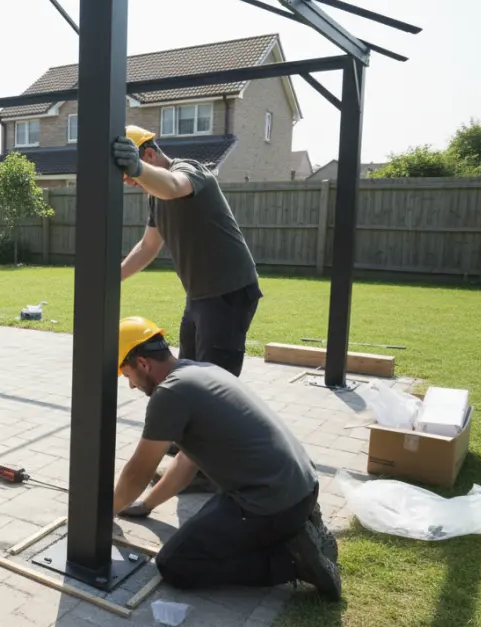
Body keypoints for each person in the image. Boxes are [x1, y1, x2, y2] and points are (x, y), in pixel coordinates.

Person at [111, 316, 341, 601]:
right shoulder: (197, 371)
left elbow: (139, 472)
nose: (131, 385)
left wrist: (105, 512)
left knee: (176, 564)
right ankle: (300, 526)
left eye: (126, 374)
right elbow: (186, 461)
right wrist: (146, 504)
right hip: (300, 486)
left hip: (270, 501)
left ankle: (293, 562)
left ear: (143, 364)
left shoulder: (169, 393)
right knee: (208, 532)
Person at [112, 126, 262, 379]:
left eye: (129, 176)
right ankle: (194, 417)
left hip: (229, 292)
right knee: (188, 372)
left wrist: (137, 169)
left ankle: (217, 419)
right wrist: (113, 278)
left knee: (215, 380)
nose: (130, 182)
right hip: (199, 295)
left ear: (148, 155)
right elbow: (148, 246)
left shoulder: (190, 170)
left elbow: (173, 186)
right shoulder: (155, 196)